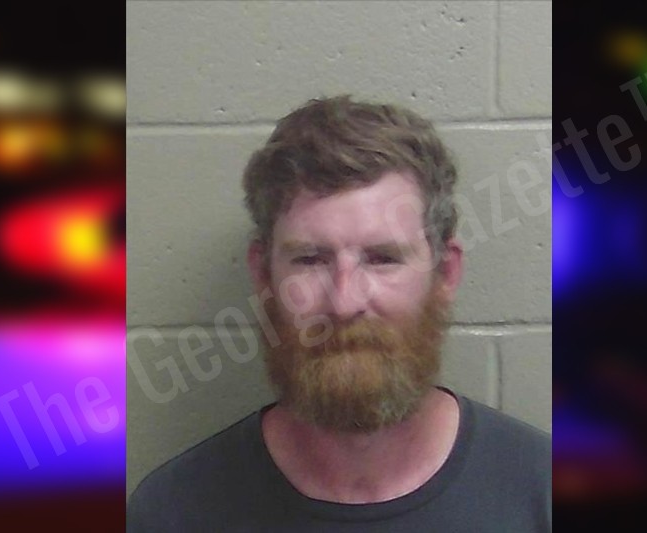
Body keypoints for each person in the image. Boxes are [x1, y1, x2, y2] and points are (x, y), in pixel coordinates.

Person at [127, 96, 550, 532]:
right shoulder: (173, 512)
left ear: (445, 273)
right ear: (263, 274)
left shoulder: (543, 496)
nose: (344, 303)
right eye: (310, 259)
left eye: (383, 258)